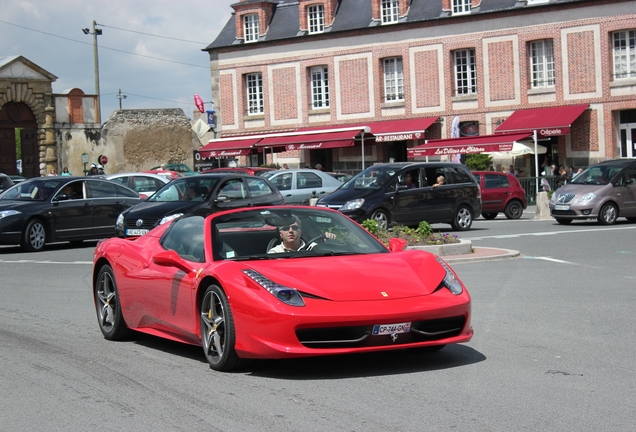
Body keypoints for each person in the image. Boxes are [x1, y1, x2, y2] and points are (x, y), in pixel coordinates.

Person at [268, 215, 336, 253]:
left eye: (294, 228)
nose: (291, 231)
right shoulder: (274, 253)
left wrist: (328, 242)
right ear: (281, 234)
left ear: (300, 232)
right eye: (286, 228)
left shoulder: (312, 248)